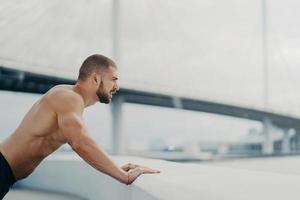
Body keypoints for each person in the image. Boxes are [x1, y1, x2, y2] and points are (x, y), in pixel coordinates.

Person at [0, 54, 160, 199]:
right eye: (114, 79)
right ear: (96, 78)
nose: (117, 87)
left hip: (6, 175)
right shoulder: (69, 98)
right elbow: (80, 142)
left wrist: (114, 167)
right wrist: (123, 176)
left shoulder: (68, 97)